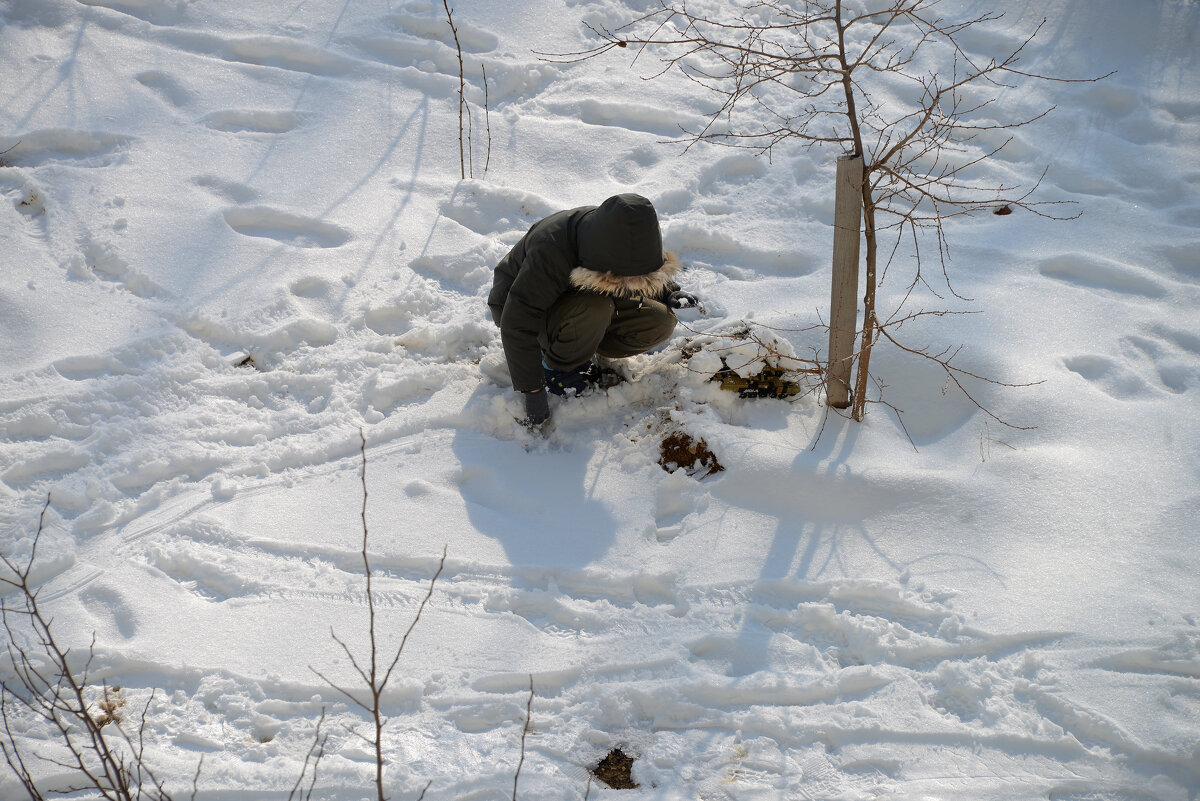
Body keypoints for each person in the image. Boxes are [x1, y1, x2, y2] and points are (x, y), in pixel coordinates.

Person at [488, 193, 700, 426]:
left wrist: (670, 291)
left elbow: (638, 266)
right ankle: (558, 370)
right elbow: (517, 319)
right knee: (595, 307)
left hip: (580, 307)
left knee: (660, 320)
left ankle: (580, 346)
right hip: (521, 306)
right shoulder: (551, 248)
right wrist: (532, 389)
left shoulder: (624, 232)